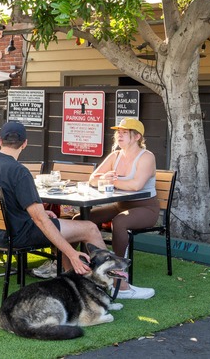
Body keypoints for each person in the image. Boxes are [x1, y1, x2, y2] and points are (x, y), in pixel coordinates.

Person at [0, 121, 104, 278]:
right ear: (25, 143)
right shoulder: (19, 171)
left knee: (61, 225)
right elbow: (40, 220)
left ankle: (71, 279)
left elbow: (5, 204)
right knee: (90, 228)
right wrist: (72, 254)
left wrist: (37, 213)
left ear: (0, 140)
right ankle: (120, 286)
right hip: (17, 236)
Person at [73, 118, 159, 300]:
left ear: (137, 136)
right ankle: (77, 268)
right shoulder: (115, 155)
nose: (119, 135)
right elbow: (93, 179)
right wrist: (104, 177)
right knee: (79, 220)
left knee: (119, 222)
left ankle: (120, 282)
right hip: (120, 205)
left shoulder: (146, 156)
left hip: (146, 207)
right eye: (118, 132)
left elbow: (136, 185)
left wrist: (109, 180)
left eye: (124, 132)